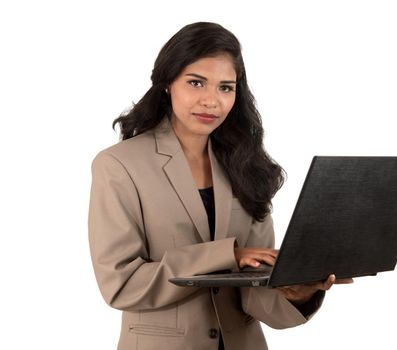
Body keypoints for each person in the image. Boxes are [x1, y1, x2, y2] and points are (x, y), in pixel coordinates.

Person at [88, 22, 352, 350]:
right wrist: (228, 256)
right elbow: (121, 284)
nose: (212, 101)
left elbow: (252, 294)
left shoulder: (247, 165)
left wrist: (297, 293)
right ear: (168, 83)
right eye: (197, 83)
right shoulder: (119, 165)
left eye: (225, 87)